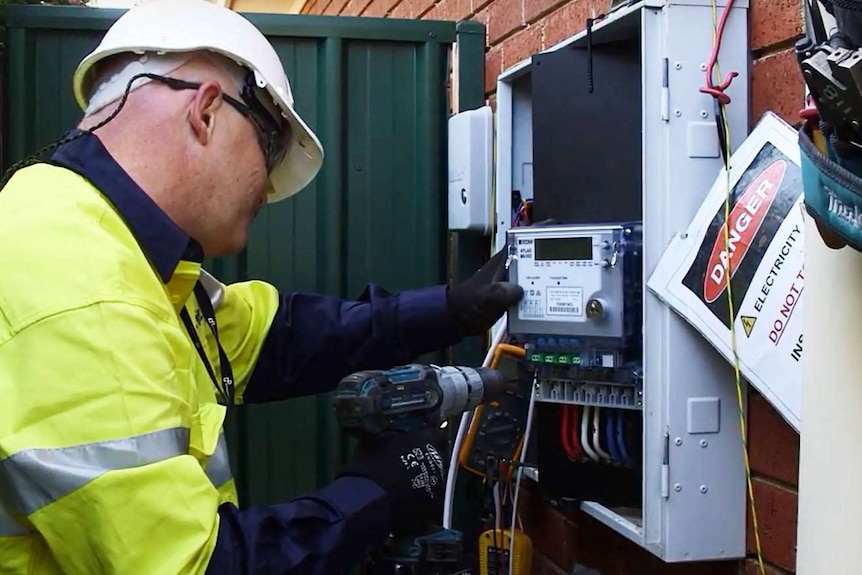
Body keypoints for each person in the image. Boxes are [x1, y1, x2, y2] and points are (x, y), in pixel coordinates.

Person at [0, 1, 523, 574]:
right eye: (271, 149)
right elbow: (191, 567)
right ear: (204, 113)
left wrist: (450, 310)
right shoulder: (83, 284)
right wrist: (375, 495)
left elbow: (272, 340)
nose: (270, 187)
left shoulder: (101, 240)